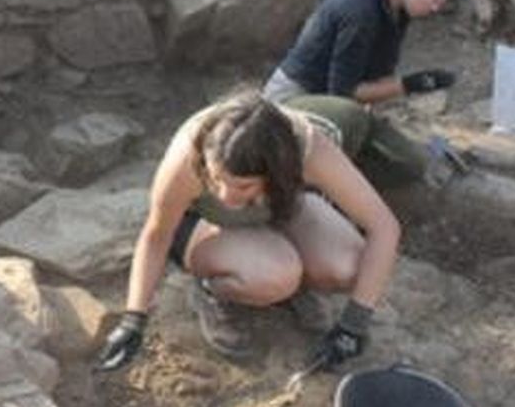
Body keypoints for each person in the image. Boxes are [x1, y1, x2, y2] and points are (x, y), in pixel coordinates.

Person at [94, 91, 400, 372]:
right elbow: (156, 235)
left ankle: (294, 287)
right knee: (275, 274)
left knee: (348, 269)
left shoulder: (306, 147)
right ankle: (212, 290)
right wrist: (133, 320)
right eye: (216, 179)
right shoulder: (190, 155)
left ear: (275, 171)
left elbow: (384, 227)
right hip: (200, 223)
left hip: (274, 208)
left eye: (242, 185)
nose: (226, 195)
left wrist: (353, 325)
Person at [263, 0, 466, 187]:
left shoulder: (398, 8)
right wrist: (410, 84)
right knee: (353, 124)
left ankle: (340, 173)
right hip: (290, 102)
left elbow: (374, 78)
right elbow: (343, 95)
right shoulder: (362, 11)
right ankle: (319, 188)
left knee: (411, 163)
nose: (435, 8)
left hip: (332, 105)